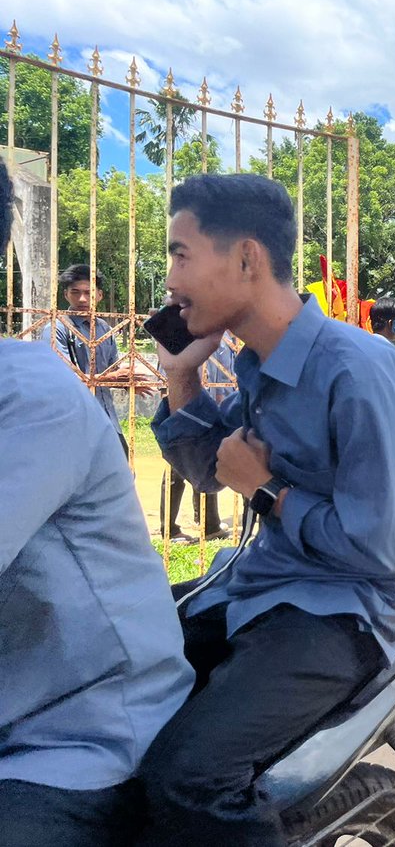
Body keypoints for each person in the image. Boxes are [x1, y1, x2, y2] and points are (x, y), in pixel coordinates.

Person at [141, 173, 395, 845]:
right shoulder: (258, 365)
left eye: (180, 254)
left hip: (349, 610)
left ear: (247, 259)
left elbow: (377, 548)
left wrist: (269, 491)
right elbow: (209, 472)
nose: (170, 279)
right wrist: (182, 376)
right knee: (111, 681)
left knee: (189, 780)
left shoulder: (357, 371)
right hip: (268, 587)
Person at [0, 160, 194, 847]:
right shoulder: (58, 339)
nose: (85, 297)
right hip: (99, 430)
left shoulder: (27, 395)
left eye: (91, 289)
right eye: (78, 289)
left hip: (74, 728)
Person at [42, 264, 153, 453]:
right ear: (65, 295)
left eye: (88, 292)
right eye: (75, 292)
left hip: (106, 419)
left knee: (122, 472)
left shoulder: (104, 329)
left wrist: (128, 382)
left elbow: (112, 370)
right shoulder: (57, 328)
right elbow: (62, 379)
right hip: (73, 421)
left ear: (99, 295)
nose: (82, 299)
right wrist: (110, 378)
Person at [160, 338, 237, 542]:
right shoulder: (188, 331)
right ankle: (168, 527)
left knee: (210, 465)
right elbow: (168, 373)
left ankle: (210, 524)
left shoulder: (231, 340)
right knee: (177, 469)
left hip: (218, 410)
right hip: (188, 408)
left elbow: (227, 377)